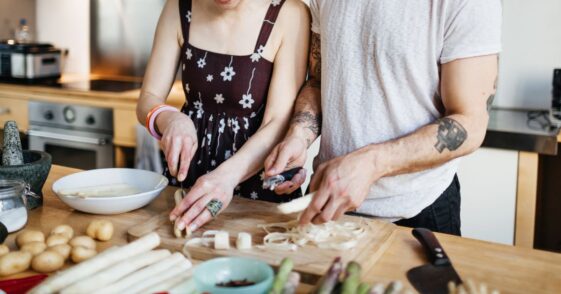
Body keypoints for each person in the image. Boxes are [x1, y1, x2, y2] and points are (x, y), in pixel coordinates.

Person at [264, 0, 501, 235]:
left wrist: (371, 164)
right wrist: (299, 135)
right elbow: (319, 81)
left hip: (418, 210)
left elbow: (470, 122)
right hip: (328, 198)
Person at [136, 0, 309, 233]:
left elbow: (277, 121)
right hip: (191, 184)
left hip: (256, 186)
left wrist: (225, 179)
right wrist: (170, 118)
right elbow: (148, 98)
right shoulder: (178, 7)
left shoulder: (288, 13)